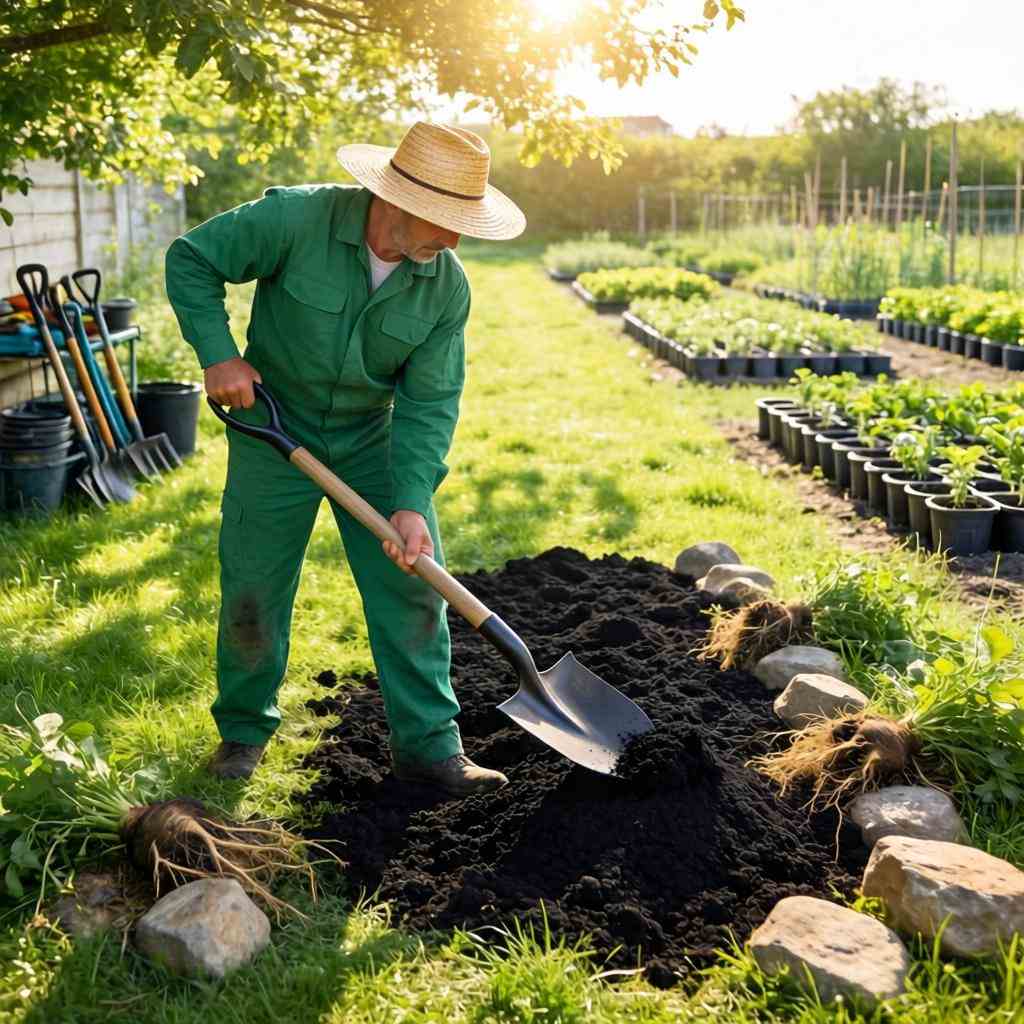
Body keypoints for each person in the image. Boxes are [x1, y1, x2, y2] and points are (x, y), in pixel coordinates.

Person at [165, 122, 526, 795]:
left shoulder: (444, 287)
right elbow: (191, 258)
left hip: (369, 439)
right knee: (254, 583)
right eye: (446, 222)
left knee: (414, 585)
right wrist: (218, 352)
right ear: (397, 199)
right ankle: (243, 732)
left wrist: (412, 499)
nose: (454, 239)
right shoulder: (296, 218)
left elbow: (430, 401)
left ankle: (429, 748)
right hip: (271, 426)